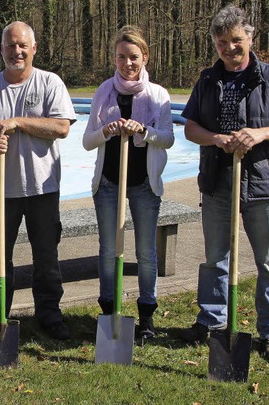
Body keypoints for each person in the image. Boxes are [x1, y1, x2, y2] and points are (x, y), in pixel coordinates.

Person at [179, 5, 269, 363]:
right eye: (222, 43)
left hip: (262, 186)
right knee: (215, 259)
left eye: (236, 40)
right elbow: (190, 128)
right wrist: (217, 138)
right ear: (215, 45)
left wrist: (261, 134)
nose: (230, 48)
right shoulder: (207, 81)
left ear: (249, 37)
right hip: (218, 184)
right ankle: (212, 320)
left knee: (267, 262)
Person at [0, 21, 76, 340]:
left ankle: (49, 314)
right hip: (2, 191)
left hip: (43, 188)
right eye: (10, 45)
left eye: (22, 45)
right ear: (2, 49)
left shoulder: (49, 83)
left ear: (34, 48)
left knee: (46, 255)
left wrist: (17, 122)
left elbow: (61, 128)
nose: (17, 51)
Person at [82, 26, 174, 340]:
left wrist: (144, 131)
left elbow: (168, 139)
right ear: (115, 58)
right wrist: (106, 131)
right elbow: (87, 141)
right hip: (108, 183)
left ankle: (146, 315)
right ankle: (108, 311)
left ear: (144, 57)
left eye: (133, 56)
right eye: (121, 56)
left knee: (146, 251)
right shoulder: (104, 91)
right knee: (108, 250)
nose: (127, 63)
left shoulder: (158, 95)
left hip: (144, 184)